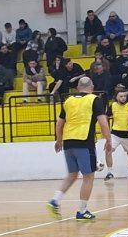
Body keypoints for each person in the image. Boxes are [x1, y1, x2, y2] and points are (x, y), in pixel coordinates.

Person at [47, 76, 110, 220]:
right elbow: (103, 122)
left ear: (77, 88)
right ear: (92, 87)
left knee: (72, 174)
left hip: (68, 142)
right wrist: (108, 140)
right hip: (84, 142)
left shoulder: (68, 100)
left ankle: (55, 200)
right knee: (88, 176)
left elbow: (59, 123)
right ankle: (82, 211)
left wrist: (59, 140)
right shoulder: (95, 99)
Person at [102, 86, 128, 181]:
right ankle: (109, 172)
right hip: (115, 134)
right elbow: (106, 117)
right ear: (116, 97)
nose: (123, 98)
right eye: (121, 96)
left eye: (124, 96)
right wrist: (107, 133)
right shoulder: (113, 105)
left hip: (127, 135)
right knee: (108, 151)